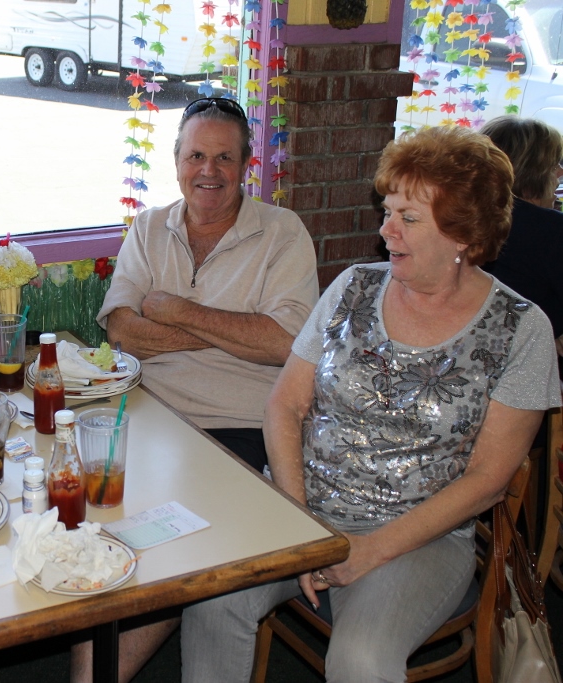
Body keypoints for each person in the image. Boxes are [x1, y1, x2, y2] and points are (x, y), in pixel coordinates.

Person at [181, 125, 562, 682]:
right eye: (388, 211)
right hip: (299, 504)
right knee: (210, 598)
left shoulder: (521, 330)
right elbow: (284, 405)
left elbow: (487, 479)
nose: (386, 231)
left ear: (464, 234)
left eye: (408, 218)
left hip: (418, 536)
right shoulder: (355, 286)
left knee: (361, 659)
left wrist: (368, 550)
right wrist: (302, 525)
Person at [97, 97, 318, 475]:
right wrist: (242, 327)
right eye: (196, 156)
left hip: (237, 423)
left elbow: (285, 343)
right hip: (142, 407)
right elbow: (122, 336)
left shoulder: (284, 232)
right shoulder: (149, 226)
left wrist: (178, 312)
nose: (209, 170)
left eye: (225, 158)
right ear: (178, 162)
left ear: (246, 164)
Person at [480, 116, 563, 373]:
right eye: (555, 165)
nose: (560, 173)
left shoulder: (465, 217)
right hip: (524, 372)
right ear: (532, 171)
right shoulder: (551, 230)